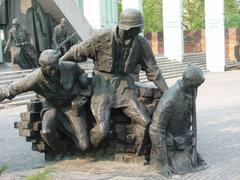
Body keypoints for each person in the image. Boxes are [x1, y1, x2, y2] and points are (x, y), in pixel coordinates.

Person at [60, 8, 168, 154]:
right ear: (125, 28)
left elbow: (153, 71)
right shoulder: (101, 37)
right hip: (102, 84)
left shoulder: (141, 44)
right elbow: (76, 53)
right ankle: (86, 149)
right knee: (102, 129)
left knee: (146, 121)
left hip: (125, 86)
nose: (136, 32)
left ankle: (137, 152)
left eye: (138, 29)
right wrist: (56, 66)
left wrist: (167, 92)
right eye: (134, 29)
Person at [0, 49, 91, 151]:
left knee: (84, 146)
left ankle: (71, 137)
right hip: (52, 106)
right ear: (43, 67)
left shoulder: (70, 67)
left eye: (55, 68)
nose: (53, 71)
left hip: (71, 106)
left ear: (58, 63)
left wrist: (83, 83)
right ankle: (63, 149)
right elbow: (13, 88)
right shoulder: (35, 78)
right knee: (46, 132)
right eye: (50, 69)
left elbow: (81, 74)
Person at [149, 64, 207, 177]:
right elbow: (155, 130)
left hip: (184, 142)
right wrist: (164, 163)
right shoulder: (170, 98)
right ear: (187, 81)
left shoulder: (191, 89)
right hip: (170, 147)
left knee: (191, 164)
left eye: (198, 86)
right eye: (195, 85)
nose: (196, 89)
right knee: (181, 167)